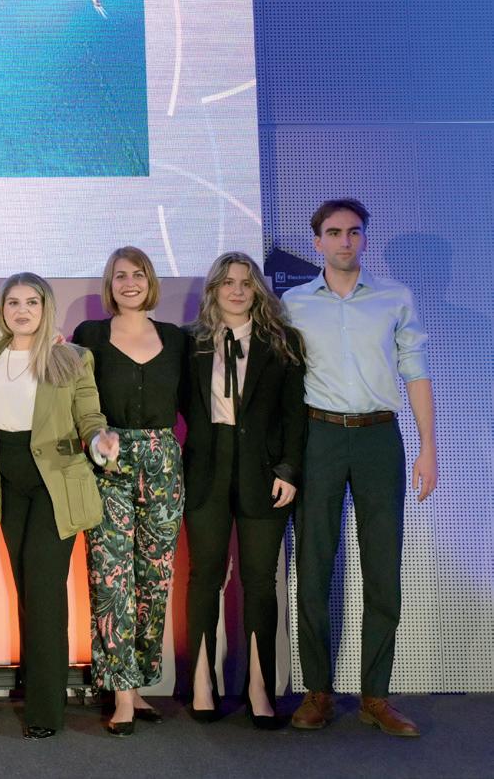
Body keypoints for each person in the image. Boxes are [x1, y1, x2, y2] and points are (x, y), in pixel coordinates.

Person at [283, 199, 437, 737]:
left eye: (353, 232)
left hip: (379, 437)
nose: (344, 241)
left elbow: (415, 370)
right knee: (313, 566)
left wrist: (428, 447)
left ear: (364, 238)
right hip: (319, 436)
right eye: (334, 233)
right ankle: (317, 692)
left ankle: (376, 696)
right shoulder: (293, 304)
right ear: (318, 242)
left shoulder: (395, 297)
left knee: (383, 567)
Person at [0, 273, 119, 739]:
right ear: (2, 310)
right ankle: (41, 691)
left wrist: (100, 441)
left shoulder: (70, 357)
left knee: (43, 590)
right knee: (28, 591)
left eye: (32, 302)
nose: (22, 311)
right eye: (13, 303)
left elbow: (90, 417)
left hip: (54, 485)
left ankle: (44, 711)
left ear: (46, 308)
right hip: (7, 483)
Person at [181, 252, 306, 729]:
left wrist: (288, 469)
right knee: (204, 577)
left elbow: (295, 414)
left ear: (257, 291)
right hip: (205, 472)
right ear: (213, 289)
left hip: (264, 474)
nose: (237, 290)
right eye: (228, 282)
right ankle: (202, 682)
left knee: (259, 581)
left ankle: (259, 687)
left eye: (246, 283)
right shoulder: (190, 343)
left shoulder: (283, 342)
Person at [72, 246, 186, 736]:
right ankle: (120, 691)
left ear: (150, 280)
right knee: (112, 577)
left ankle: (138, 682)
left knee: (154, 580)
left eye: (138, 274)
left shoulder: (176, 339)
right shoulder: (90, 336)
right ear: (110, 284)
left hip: (164, 463)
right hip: (110, 462)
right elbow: (78, 401)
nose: (130, 283)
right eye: (120, 275)